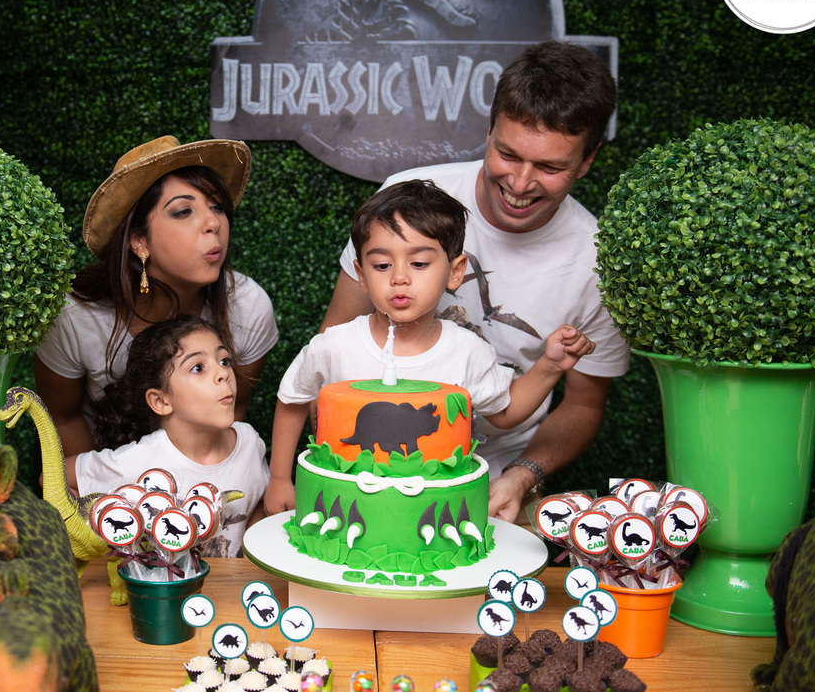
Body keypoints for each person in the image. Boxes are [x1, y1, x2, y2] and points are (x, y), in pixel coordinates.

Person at [320, 41, 630, 523]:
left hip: (499, 477)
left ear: (587, 160)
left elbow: (583, 406)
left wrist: (523, 475)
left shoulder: (598, 263)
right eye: (507, 154)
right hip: (373, 462)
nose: (520, 183)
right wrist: (340, 463)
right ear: (488, 131)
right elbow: (334, 340)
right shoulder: (406, 202)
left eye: (550, 167)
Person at [264, 180, 595, 515]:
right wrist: (279, 478)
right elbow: (292, 398)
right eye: (382, 265)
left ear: (455, 272)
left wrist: (550, 366)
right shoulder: (334, 345)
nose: (399, 278)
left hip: (436, 517)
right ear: (361, 275)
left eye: (419, 263)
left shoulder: (467, 351)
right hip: (347, 510)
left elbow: (506, 411)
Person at [34, 136, 278, 460]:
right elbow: (62, 417)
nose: (213, 223)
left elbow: (230, 413)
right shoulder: (75, 315)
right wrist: (106, 485)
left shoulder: (248, 307)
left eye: (217, 206)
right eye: (183, 211)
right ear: (139, 241)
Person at [68, 315, 269, 557]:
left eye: (224, 361)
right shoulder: (136, 461)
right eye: (198, 367)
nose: (223, 374)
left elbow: (258, 501)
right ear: (161, 401)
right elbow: (56, 478)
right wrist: (99, 546)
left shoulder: (249, 442)